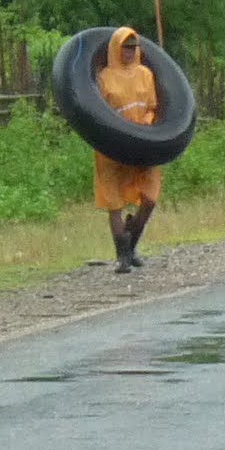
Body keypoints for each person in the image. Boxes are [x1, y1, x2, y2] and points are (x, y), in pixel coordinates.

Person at [94, 26, 161, 273]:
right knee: (114, 202)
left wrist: (147, 123)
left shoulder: (145, 74)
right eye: (125, 47)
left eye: (134, 47)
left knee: (150, 198)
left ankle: (131, 241)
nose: (130, 51)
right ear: (115, 48)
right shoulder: (104, 77)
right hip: (112, 147)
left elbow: (152, 106)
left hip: (142, 143)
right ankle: (122, 256)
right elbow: (97, 112)